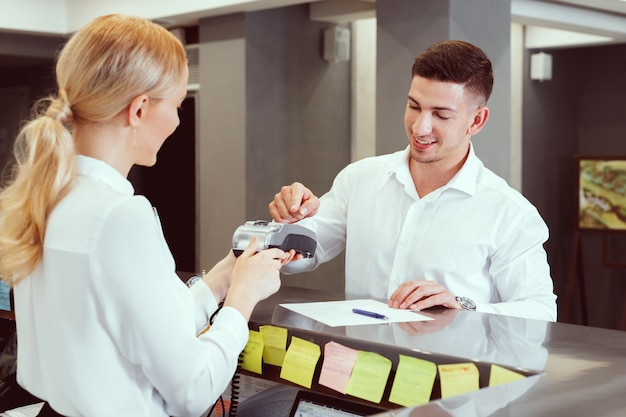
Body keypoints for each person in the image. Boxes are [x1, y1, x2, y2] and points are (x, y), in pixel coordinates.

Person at [0, 14, 295, 417]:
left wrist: (223, 279)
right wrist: (241, 301)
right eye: (175, 106)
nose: (176, 120)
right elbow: (193, 390)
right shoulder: (120, 215)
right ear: (138, 110)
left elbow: (142, 324)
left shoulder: (47, 195)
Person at [269, 40, 557, 322]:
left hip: (448, 368)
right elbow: (303, 253)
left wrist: (462, 306)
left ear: (477, 121)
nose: (421, 127)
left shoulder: (509, 213)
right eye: (415, 107)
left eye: (441, 114)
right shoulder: (360, 178)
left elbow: (541, 311)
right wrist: (291, 222)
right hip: (358, 364)